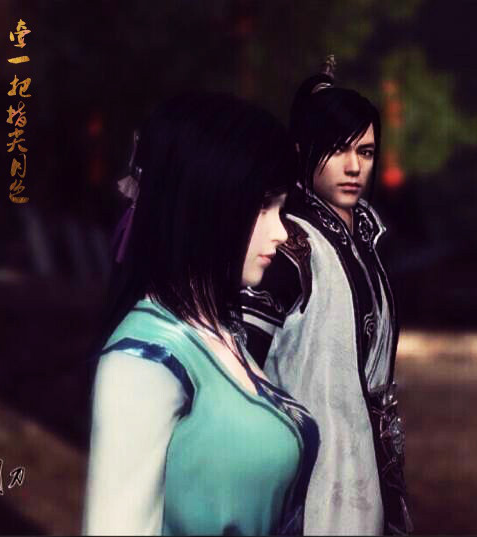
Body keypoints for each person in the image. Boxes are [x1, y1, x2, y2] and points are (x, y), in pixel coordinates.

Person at [83, 92, 319, 536]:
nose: (281, 231)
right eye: (264, 205)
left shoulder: (219, 331)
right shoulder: (144, 358)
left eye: (281, 207)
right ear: (209, 203)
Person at [240, 57, 411, 535]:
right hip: (309, 474)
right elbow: (241, 364)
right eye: (337, 150)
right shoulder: (289, 245)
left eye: (366, 151)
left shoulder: (365, 241)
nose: (354, 166)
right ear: (304, 151)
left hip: (370, 463)